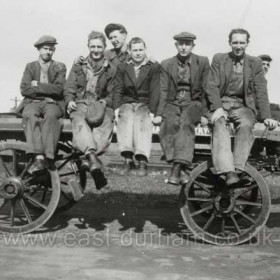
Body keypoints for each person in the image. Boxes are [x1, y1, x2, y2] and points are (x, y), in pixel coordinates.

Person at [205, 28, 278, 186]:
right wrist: (217, 108)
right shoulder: (219, 59)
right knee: (218, 124)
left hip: (242, 106)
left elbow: (261, 91)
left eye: (242, 42)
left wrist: (266, 117)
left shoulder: (255, 63)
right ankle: (228, 171)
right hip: (222, 103)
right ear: (230, 42)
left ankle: (238, 169)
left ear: (247, 43)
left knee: (246, 125)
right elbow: (211, 86)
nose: (238, 46)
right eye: (235, 42)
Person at [153, 32, 210, 185]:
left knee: (186, 121)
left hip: (193, 102)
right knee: (168, 123)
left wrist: (205, 114)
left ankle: (176, 167)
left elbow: (206, 89)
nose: (184, 47)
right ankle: (181, 168)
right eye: (181, 44)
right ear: (176, 45)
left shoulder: (203, 62)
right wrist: (159, 113)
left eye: (187, 44)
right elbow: (163, 90)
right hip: (173, 102)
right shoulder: (166, 64)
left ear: (193, 46)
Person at [64, 31, 115, 190]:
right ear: (88, 46)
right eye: (92, 46)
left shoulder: (111, 69)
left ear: (104, 47)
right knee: (79, 122)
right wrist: (70, 100)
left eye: (99, 46)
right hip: (81, 102)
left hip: (100, 103)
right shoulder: (79, 65)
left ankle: (88, 159)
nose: (96, 50)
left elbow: (114, 92)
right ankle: (93, 160)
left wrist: (105, 102)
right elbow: (69, 86)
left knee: (105, 123)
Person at [17, 35, 66, 171]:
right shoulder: (30, 66)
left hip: (52, 103)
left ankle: (49, 156)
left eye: (51, 49)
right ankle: (38, 158)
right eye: (45, 49)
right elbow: (25, 89)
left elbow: (58, 89)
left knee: (51, 117)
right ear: (39, 49)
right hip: (33, 101)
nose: (47, 52)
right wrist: (47, 88)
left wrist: (37, 84)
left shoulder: (60, 67)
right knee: (29, 115)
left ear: (54, 50)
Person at [113, 37, 160, 176]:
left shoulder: (153, 67)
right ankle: (127, 158)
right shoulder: (123, 66)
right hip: (128, 102)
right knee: (125, 118)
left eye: (141, 50)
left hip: (145, 103)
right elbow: (118, 89)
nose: (138, 53)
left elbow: (155, 90)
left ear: (145, 50)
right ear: (129, 51)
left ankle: (142, 159)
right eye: (135, 50)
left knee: (143, 121)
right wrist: (116, 109)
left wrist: (152, 111)